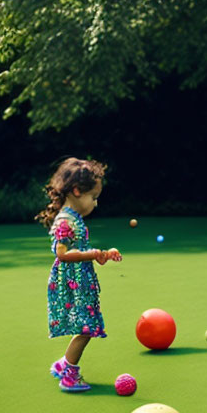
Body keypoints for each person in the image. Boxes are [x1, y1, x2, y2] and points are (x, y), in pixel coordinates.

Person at [36, 157, 122, 392]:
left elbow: (80, 251)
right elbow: (62, 254)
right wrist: (91, 254)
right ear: (76, 191)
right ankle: (69, 375)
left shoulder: (74, 218)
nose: (95, 203)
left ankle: (62, 364)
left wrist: (101, 255)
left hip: (79, 279)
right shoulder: (65, 220)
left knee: (86, 325)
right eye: (93, 197)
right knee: (85, 329)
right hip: (70, 283)